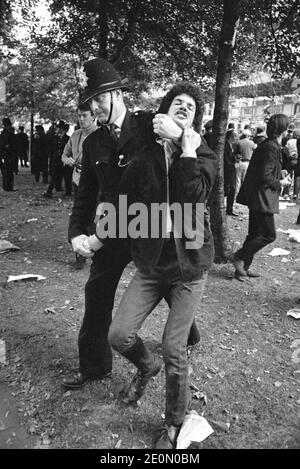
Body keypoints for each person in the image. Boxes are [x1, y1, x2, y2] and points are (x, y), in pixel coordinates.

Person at [85, 81, 218, 449]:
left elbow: (193, 194)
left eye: (191, 106)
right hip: (151, 265)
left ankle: (174, 423)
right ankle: (147, 366)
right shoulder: (145, 155)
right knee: (118, 334)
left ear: (196, 120)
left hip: (190, 268)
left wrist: (187, 149)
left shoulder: (204, 155)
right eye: (178, 102)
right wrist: (97, 235)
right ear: (165, 111)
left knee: (174, 346)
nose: (185, 107)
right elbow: (122, 200)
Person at [62, 58, 200, 390]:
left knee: (170, 285)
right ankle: (94, 366)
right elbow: (86, 196)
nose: (94, 107)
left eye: (99, 98)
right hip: (112, 232)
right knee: (96, 291)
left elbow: (192, 142)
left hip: (150, 227)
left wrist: (181, 133)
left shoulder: (149, 124)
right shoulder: (94, 141)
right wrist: (76, 234)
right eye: (89, 102)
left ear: (118, 93)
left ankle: (189, 336)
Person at [229, 113, 290, 281]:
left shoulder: (267, 144)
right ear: (283, 130)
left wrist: (280, 172)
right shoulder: (271, 147)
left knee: (254, 234)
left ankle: (242, 268)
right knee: (269, 235)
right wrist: (281, 183)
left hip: (257, 197)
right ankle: (238, 257)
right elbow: (265, 176)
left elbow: (266, 170)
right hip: (262, 198)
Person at [61, 102, 97, 269]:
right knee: (79, 216)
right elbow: (64, 154)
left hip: (96, 185)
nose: (82, 119)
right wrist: (67, 160)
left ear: (93, 116)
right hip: (78, 182)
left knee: (95, 218)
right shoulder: (75, 136)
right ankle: (80, 256)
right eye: (79, 116)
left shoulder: (101, 136)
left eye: (85, 116)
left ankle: (97, 252)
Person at [43, 120, 70, 198]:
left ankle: (68, 192)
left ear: (62, 129)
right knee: (54, 176)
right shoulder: (55, 138)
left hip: (65, 160)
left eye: (58, 128)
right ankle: (49, 192)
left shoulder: (68, 139)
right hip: (57, 160)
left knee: (67, 176)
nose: (56, 129)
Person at [234, 128, 257, 198]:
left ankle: (237, 195)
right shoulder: (252, 143)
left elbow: (235, 152)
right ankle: (245, 195)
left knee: (237, 180)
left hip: (239, 162)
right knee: (245, 179)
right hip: (248, 163)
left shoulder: (238, 142)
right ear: (248, 136)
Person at [0, 117, 17, 191]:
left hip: (9, 153)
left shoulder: (6, 133)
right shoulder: (5, 134)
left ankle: (9, 186)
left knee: (9, 171)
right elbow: (4, 144)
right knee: (7, 171)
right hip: (7, 154)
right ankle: (7, 187)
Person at [224, 130, 238, 216]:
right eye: (235, 137)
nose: (237, 139)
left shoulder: (229, 145)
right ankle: (229, 208)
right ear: (231, 137)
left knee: (231, 190)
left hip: (230, 171)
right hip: (228, 172)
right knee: (230, 190)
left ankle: (230, 208)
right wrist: (233, 164)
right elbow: (226, 160)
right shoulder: (226, 145)